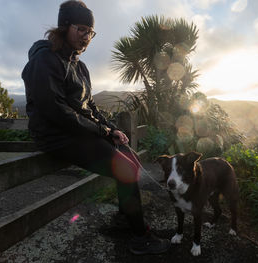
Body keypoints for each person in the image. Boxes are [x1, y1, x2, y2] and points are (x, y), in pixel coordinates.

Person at [21, 0, 170, 255]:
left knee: (127, 159)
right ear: (64, 26)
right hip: (55, 135)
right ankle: (139, 237)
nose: (86, 37)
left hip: (76, 131)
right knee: (126, 169)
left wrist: (111, 128)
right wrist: (101, 132)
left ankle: (126, 219)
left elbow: (88, 106)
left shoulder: (79, 66)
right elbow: (55, 110)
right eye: (81, 29)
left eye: (90, 32)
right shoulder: (44, 59)